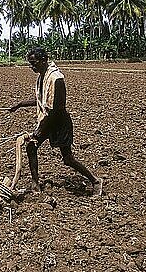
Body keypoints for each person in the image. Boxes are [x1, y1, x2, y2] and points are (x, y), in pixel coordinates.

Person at [9, 48, 103, 196]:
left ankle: (95, 181)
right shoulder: (42, 77)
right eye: (30, 64)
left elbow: (57, 109)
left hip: (59, 123)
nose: (32, 67)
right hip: (48, 120)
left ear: (44, 60)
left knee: (68, 159)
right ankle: (35, 184)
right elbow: (42, 101)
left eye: (34, 63)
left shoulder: (56, 78)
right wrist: (20, 104)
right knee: (31, 148)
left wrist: (39, 131)